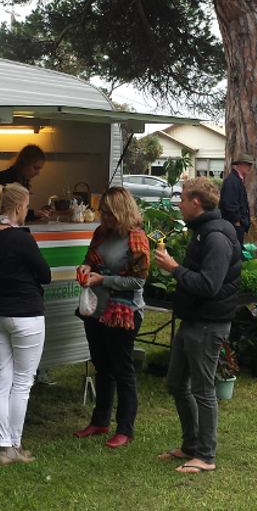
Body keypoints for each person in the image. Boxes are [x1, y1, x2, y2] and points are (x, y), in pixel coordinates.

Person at [154, 177, 242, 474]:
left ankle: (205, 456)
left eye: (182, 198)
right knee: (177, 383)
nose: (178, 203)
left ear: (196, 202)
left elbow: (209, 285)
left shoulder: (216, 236)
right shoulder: (203, 231)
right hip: (193, 320)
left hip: (208, 324)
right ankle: (191, 446)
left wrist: (174, 268)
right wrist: (177, 266)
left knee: (203, 390)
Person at [0, 182, 52, 465]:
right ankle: (15, 447)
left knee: (2, 378)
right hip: (27, 315)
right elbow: (45, 275)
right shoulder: (21, 238)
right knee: (22, 382)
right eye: (27, 206)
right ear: (19, 207)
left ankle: (3, 447)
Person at [74, 187, 149, 448]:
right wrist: (85, 268)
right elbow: (89, 260)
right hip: (96, 310)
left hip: (123, 314)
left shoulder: (136, 239)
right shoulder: (100, 234)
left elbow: (137, 281)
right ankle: (100, 421)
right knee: (102, 367)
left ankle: (125, 428)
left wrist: (103, 279)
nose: (102, 217)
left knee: (122, 370)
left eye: (108, 213)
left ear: (121, 212)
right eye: (102, 212)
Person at [0, 144, 52, 222]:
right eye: (36, 168)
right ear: (24, 163)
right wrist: (33, 213)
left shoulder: (21, 181)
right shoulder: (4, 181)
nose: (37, 173)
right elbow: (5, 212)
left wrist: (37, 213)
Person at [219, 152, 255, 245]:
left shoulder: (236, 180)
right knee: (235, 253)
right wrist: (237, 222)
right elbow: (230, 203)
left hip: (236, 226)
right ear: (239, 164)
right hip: (233, 226)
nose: (250, 167)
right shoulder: (232, 181)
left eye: (250, 165)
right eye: (247, 164)